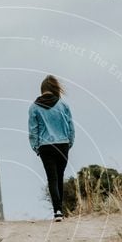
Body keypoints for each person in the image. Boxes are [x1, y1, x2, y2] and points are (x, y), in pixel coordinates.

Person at [28, 75, 75, 222]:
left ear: (42, 90)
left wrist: (36, 147)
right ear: (55, 89)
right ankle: (60, 210)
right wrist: (69, 143)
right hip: (63, 144)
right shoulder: (63, 105)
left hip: (45, 147)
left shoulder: (34, 107)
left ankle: (58, 211)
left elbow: (33, 130)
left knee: (52, 178)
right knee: (60, 177)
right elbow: (70, 127)